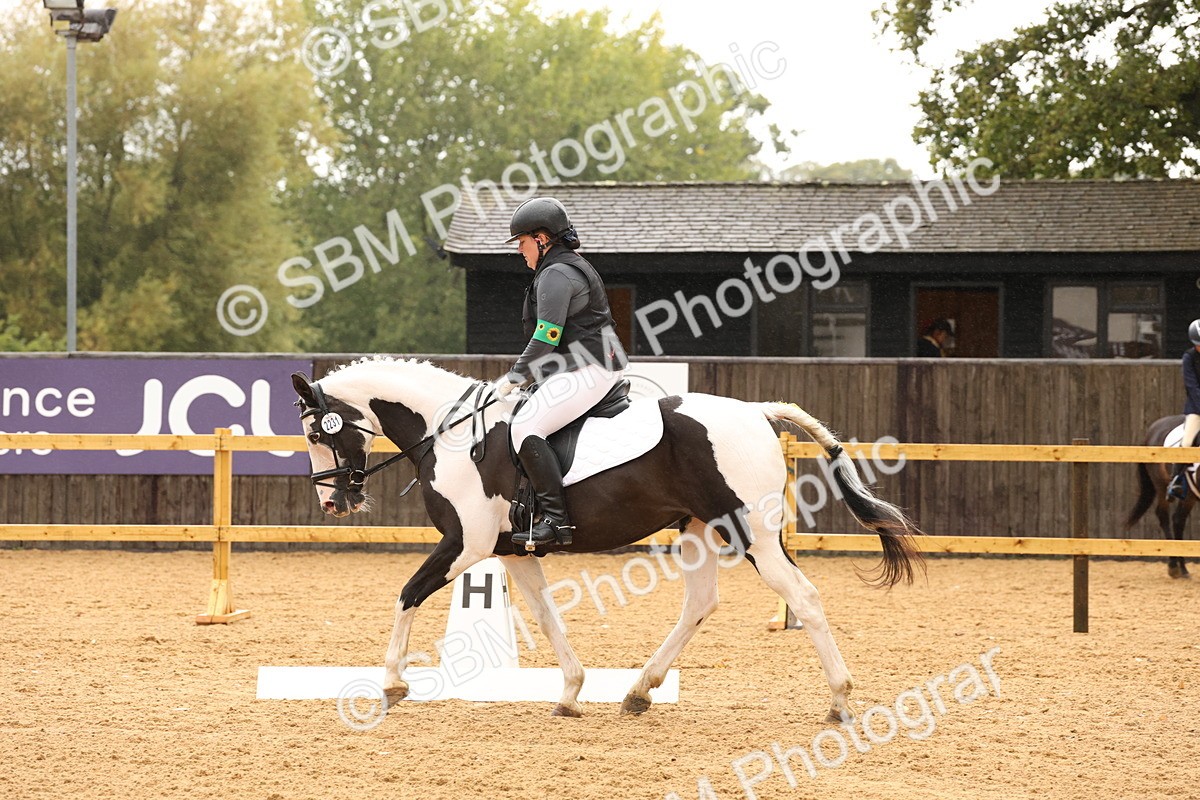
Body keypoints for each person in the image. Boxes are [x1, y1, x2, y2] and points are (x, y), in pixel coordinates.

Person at [491, 197, 628, 548]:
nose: (519, 250)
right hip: (586, 364)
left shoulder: (556, 274)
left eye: (522, 242)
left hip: (590, 368)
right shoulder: (564, 267)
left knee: (524, 426)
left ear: (541, 239)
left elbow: (547, 337)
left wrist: (513, 377)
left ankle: (556, 522)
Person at [1167, 319, 1200, 499]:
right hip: (1197, 408)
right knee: (1187, 443)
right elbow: (1191, 386)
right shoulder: (1189, 358)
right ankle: (1176, 480)